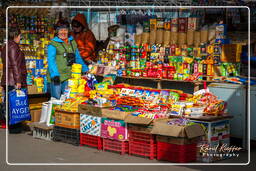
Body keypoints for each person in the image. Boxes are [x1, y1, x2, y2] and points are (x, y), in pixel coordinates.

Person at [47, 19, 88, 99]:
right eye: (61, 30)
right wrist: (55, 75)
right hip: (57, 77)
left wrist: (85, 69)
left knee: (68, 99)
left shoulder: (72, 42)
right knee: (56, 99)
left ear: (68, 31)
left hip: (68, 76)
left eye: (65, 30)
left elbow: (78, 57)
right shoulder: (53, 44)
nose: (63, 32)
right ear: (57, 31)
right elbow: (51, 60)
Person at [1, 27, 27, 133]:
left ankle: (13, 126)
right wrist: (18, 81)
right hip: (12, 80)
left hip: (8, 79)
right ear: (15, 36)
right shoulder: (13, 47)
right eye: (20, 36)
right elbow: (15, 64)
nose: (20, 38)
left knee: (11, 103)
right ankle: (15, 127)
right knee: (15, 104)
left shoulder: (6, 46)